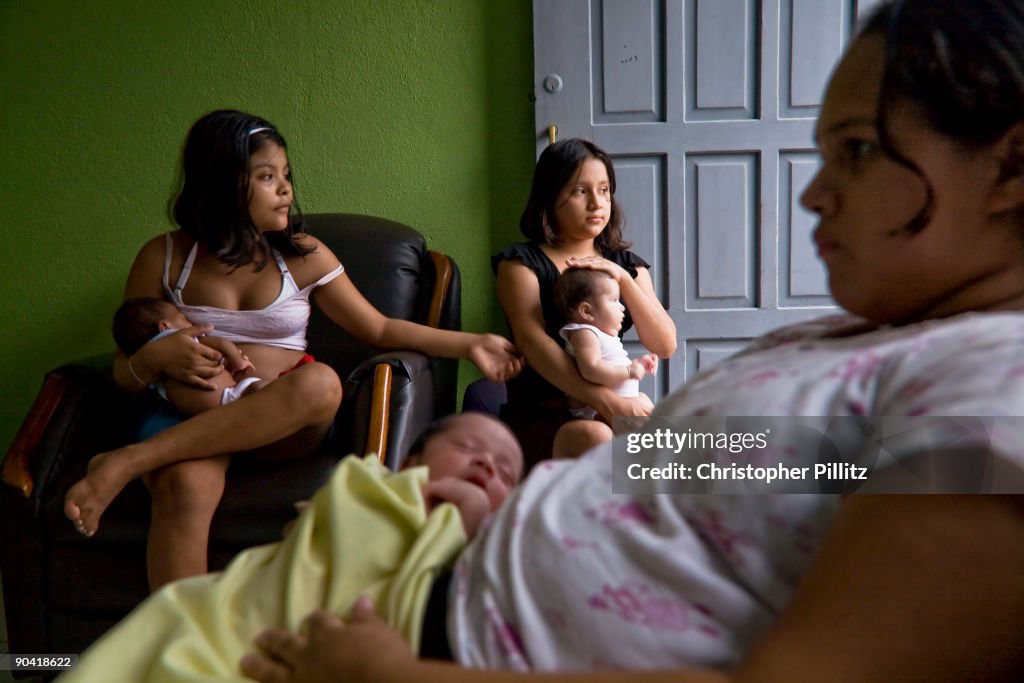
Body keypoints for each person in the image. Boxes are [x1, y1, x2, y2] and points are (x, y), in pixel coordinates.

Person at [239, 1, 1024, 681]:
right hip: (445, 561)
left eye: (856, 149)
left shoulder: (998, 395)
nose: (814, 193)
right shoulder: (865, 344)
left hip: (441, 642)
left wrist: (390, 677)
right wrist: (488, 507)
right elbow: (725, 470)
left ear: (1012, 164)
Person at [62, 109, 523, 591]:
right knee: (183, 484)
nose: (285, 189)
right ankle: (185, 653)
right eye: (266, 177)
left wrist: (472, 344)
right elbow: (122, 369)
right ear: (221, 184)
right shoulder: (165, 257)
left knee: (322, 384)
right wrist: (150, 360)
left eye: (286, 175)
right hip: (187, 420)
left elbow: (381, 328)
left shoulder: (303, 255)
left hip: (277, 426)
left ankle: (130, 460)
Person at [56, 412, 523, 682]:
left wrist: (470, 520)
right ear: (408, 462)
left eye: (506, 473)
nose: (486, 463)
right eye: (467, 446)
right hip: (256, 624)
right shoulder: (369, 489)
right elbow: (333, 533)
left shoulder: (501, 553)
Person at [493, 138, 676, 467]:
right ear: (550, 196)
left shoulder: (627, 264)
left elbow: (664, 344)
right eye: (581, 191)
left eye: (604, 190)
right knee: (598, 438)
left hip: (616, 404)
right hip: (547, 412)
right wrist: (604, 401)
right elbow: (532, 343)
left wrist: (621, 278)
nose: (596, 203)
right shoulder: (521, 264)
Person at [113, 296, 271, 414]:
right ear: (164, 327)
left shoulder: (153, 363)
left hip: (195, 417)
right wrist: (238, 361)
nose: (190, 322)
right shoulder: (182, 341)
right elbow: (223, 344)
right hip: (230, 396)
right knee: (260, 388)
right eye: (183, 318)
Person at [553, 267, 658, 426]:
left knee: (648, 405)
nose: (622, 307)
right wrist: (629, 372)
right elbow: (591, 370)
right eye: (615, 300)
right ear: (587, 311)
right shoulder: (585, 333)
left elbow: (612, 361)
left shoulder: (602, 334)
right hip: (596, 411)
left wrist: (639, 364)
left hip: (621, 403)